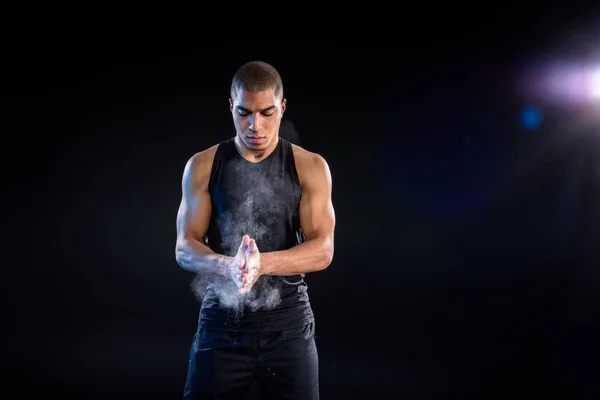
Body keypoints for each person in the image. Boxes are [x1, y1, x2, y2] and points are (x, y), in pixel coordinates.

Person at [175, 60, 336, 399]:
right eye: (245, 112)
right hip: (222, 326)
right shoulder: (203, 165)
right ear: (231, 106)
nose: (255, 125)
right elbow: (184, 247)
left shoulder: (310, 166)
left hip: (288, 328)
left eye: (267, 112)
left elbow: (324, 249)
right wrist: (228, 266)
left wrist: (262, 264)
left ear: (283, 107)